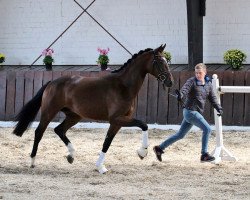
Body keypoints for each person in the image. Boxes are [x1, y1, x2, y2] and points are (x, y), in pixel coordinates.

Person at [153, 63, 223, 162]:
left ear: (205, 72)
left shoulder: (208, 84)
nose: (198, 75)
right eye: (196, 73)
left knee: (180, 135)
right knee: (207, 129)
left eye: (200, 73)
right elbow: (185, 89)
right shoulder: (192, 81)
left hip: (194, 113)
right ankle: (204, 155)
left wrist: (218, 108)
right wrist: (180, 95)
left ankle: (159, 148)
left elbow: (212, 98)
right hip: (190, 111)